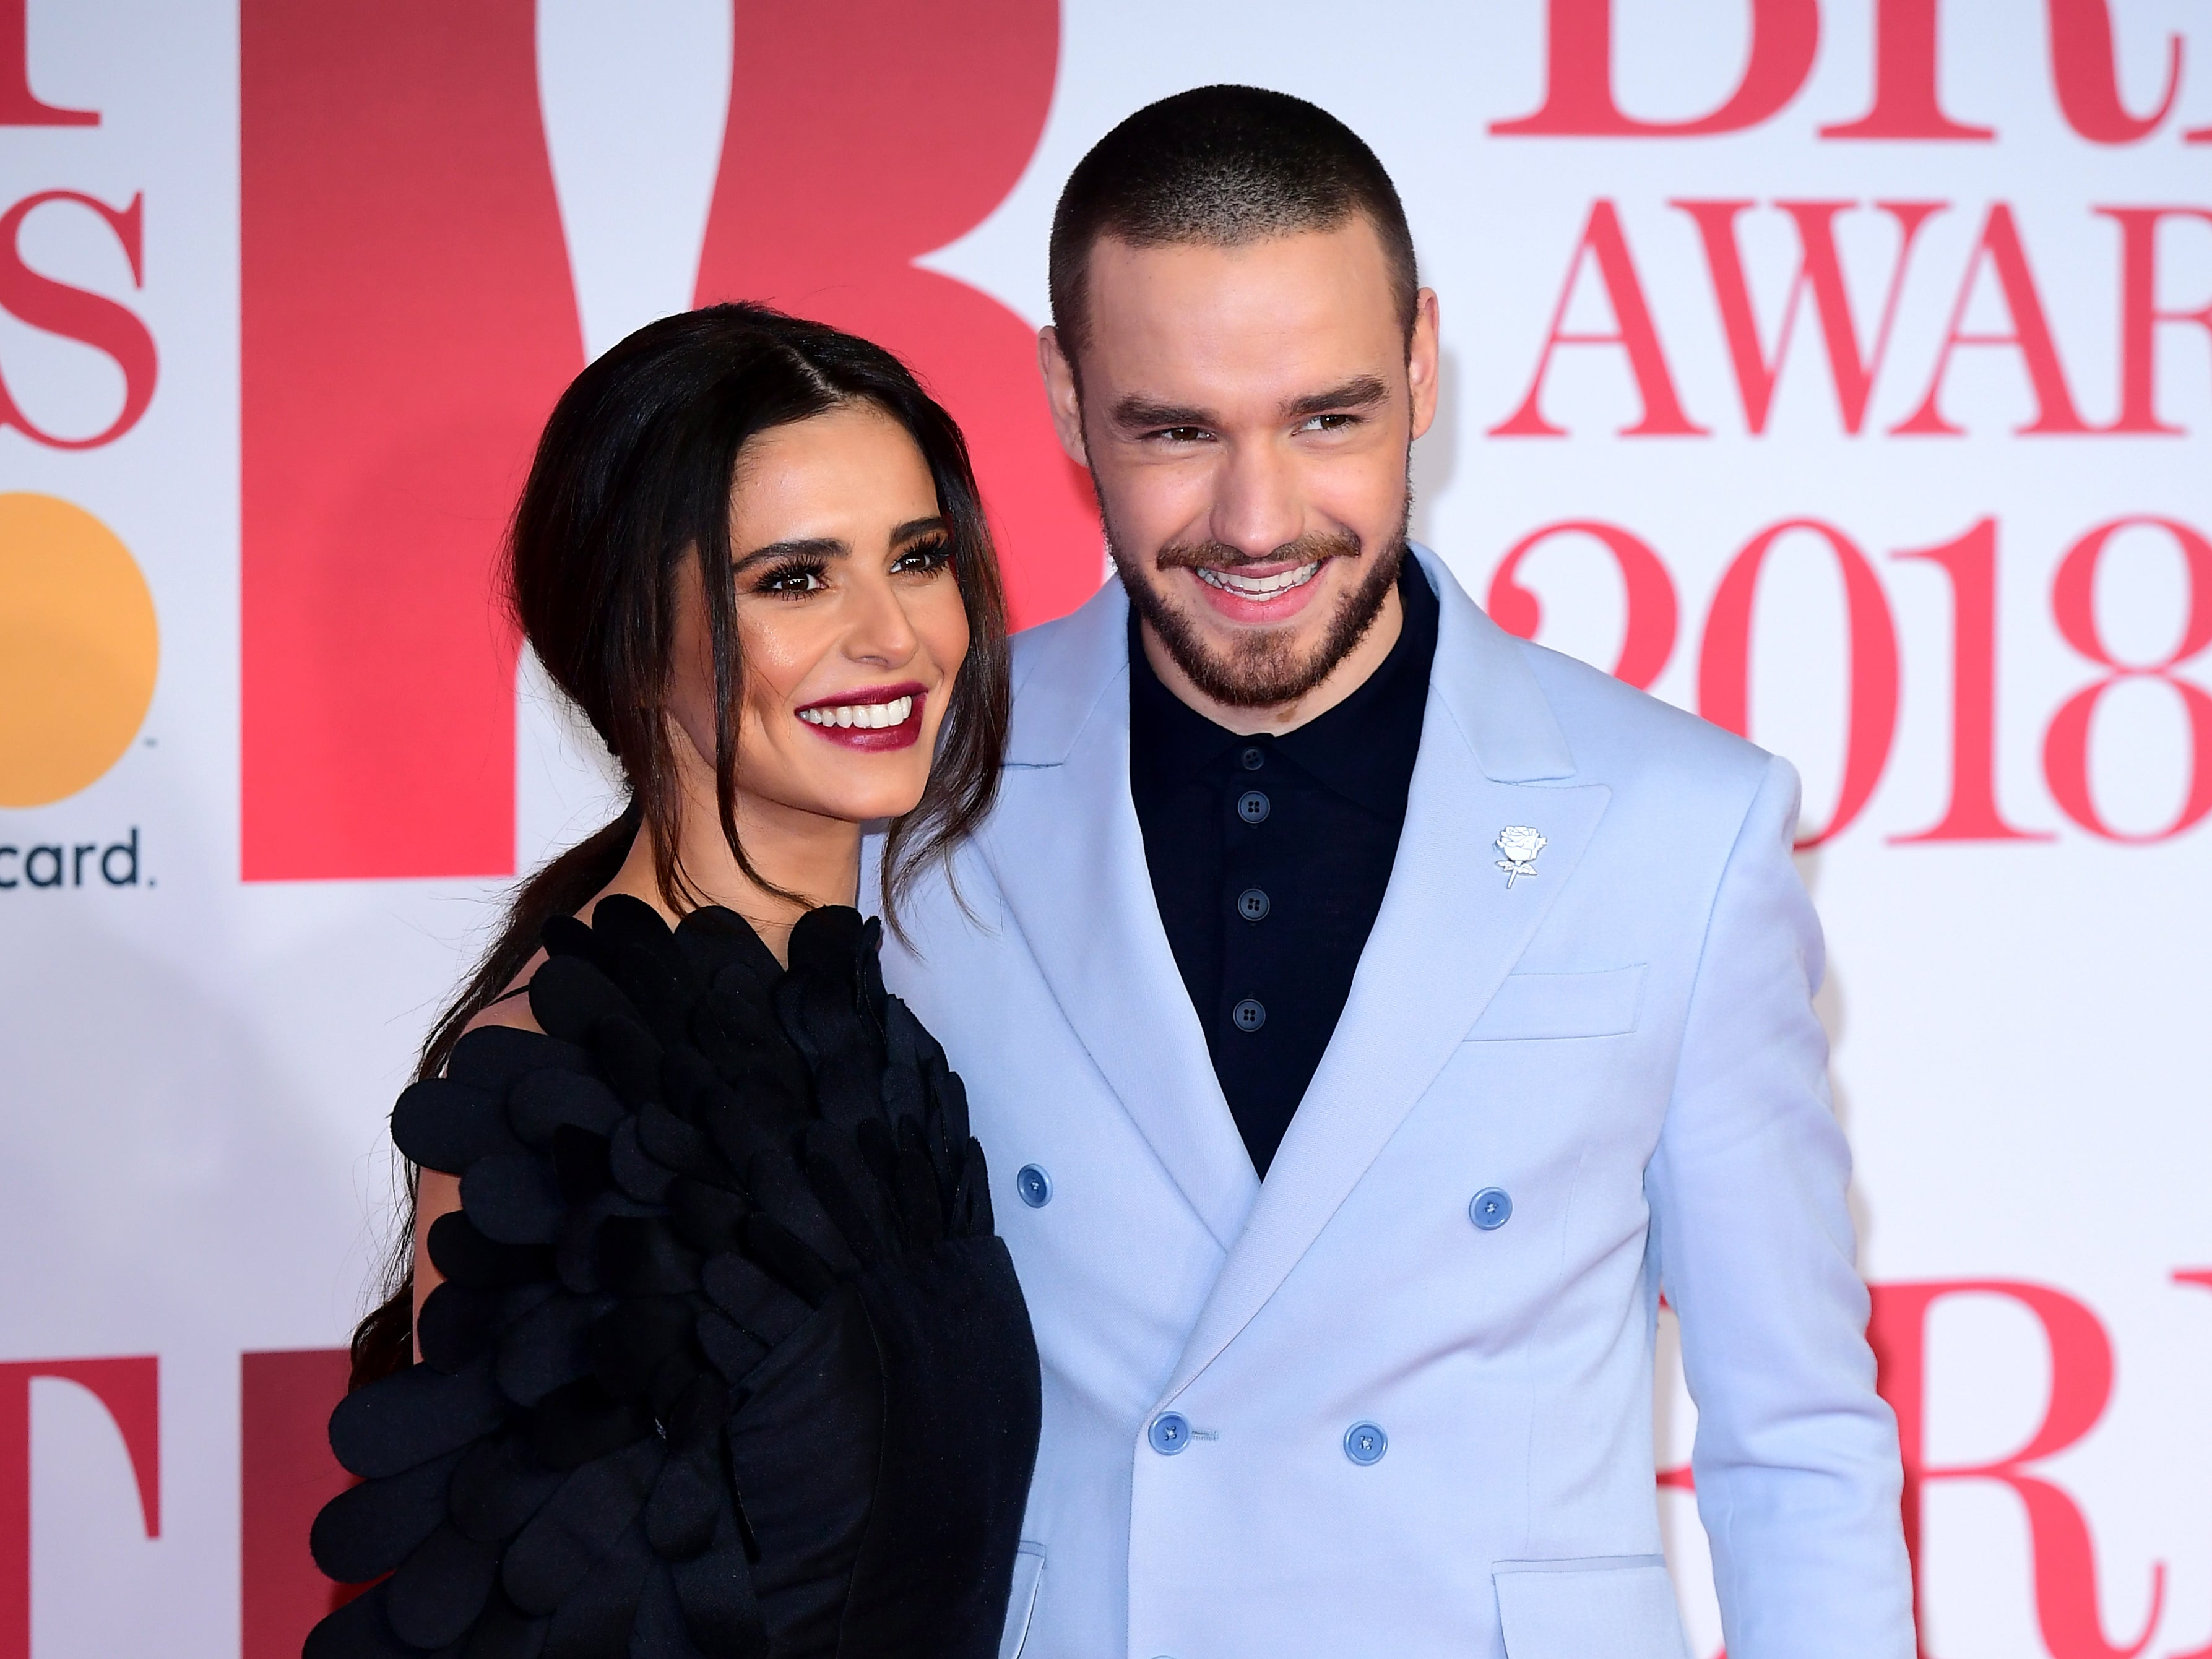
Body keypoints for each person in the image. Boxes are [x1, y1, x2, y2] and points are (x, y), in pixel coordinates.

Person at [870, 86, 1916, 1658]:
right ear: (1063, 391)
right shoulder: (920, 800)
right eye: (1174, 431)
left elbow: (1794, 1438)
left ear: (1421, 364)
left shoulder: (1674, 825)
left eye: (1328, 417)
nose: (1258, 519)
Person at [311, 304, 1040, 1659]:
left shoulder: (859, 1038)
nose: (894, 637)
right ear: (629, 638)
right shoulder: (565, 1095)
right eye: (793, 580)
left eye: (918, 557)